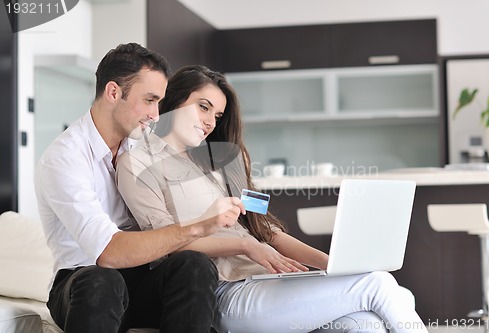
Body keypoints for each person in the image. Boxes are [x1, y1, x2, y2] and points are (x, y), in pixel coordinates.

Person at [115, 65, 429, 333]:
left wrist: (334, 266)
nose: (211, 121)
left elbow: (268, 232)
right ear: (174, 99)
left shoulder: (224, 163)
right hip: (230, 293)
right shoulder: (138, 164)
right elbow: (164, 243)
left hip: (270, 284)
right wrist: (245, 244)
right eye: (203, 106)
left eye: (218, 113)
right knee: (378, 285)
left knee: (365, 320)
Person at [34, 44, 245, 333]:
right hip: (82, 285)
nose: (156, 115)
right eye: (149, 100)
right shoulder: (64, 158)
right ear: (113, 92)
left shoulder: (142, 145)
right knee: (102, 280)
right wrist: (198, 227)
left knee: (193, 265)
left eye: (159, 102)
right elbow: (108, 253)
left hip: (140, 280)